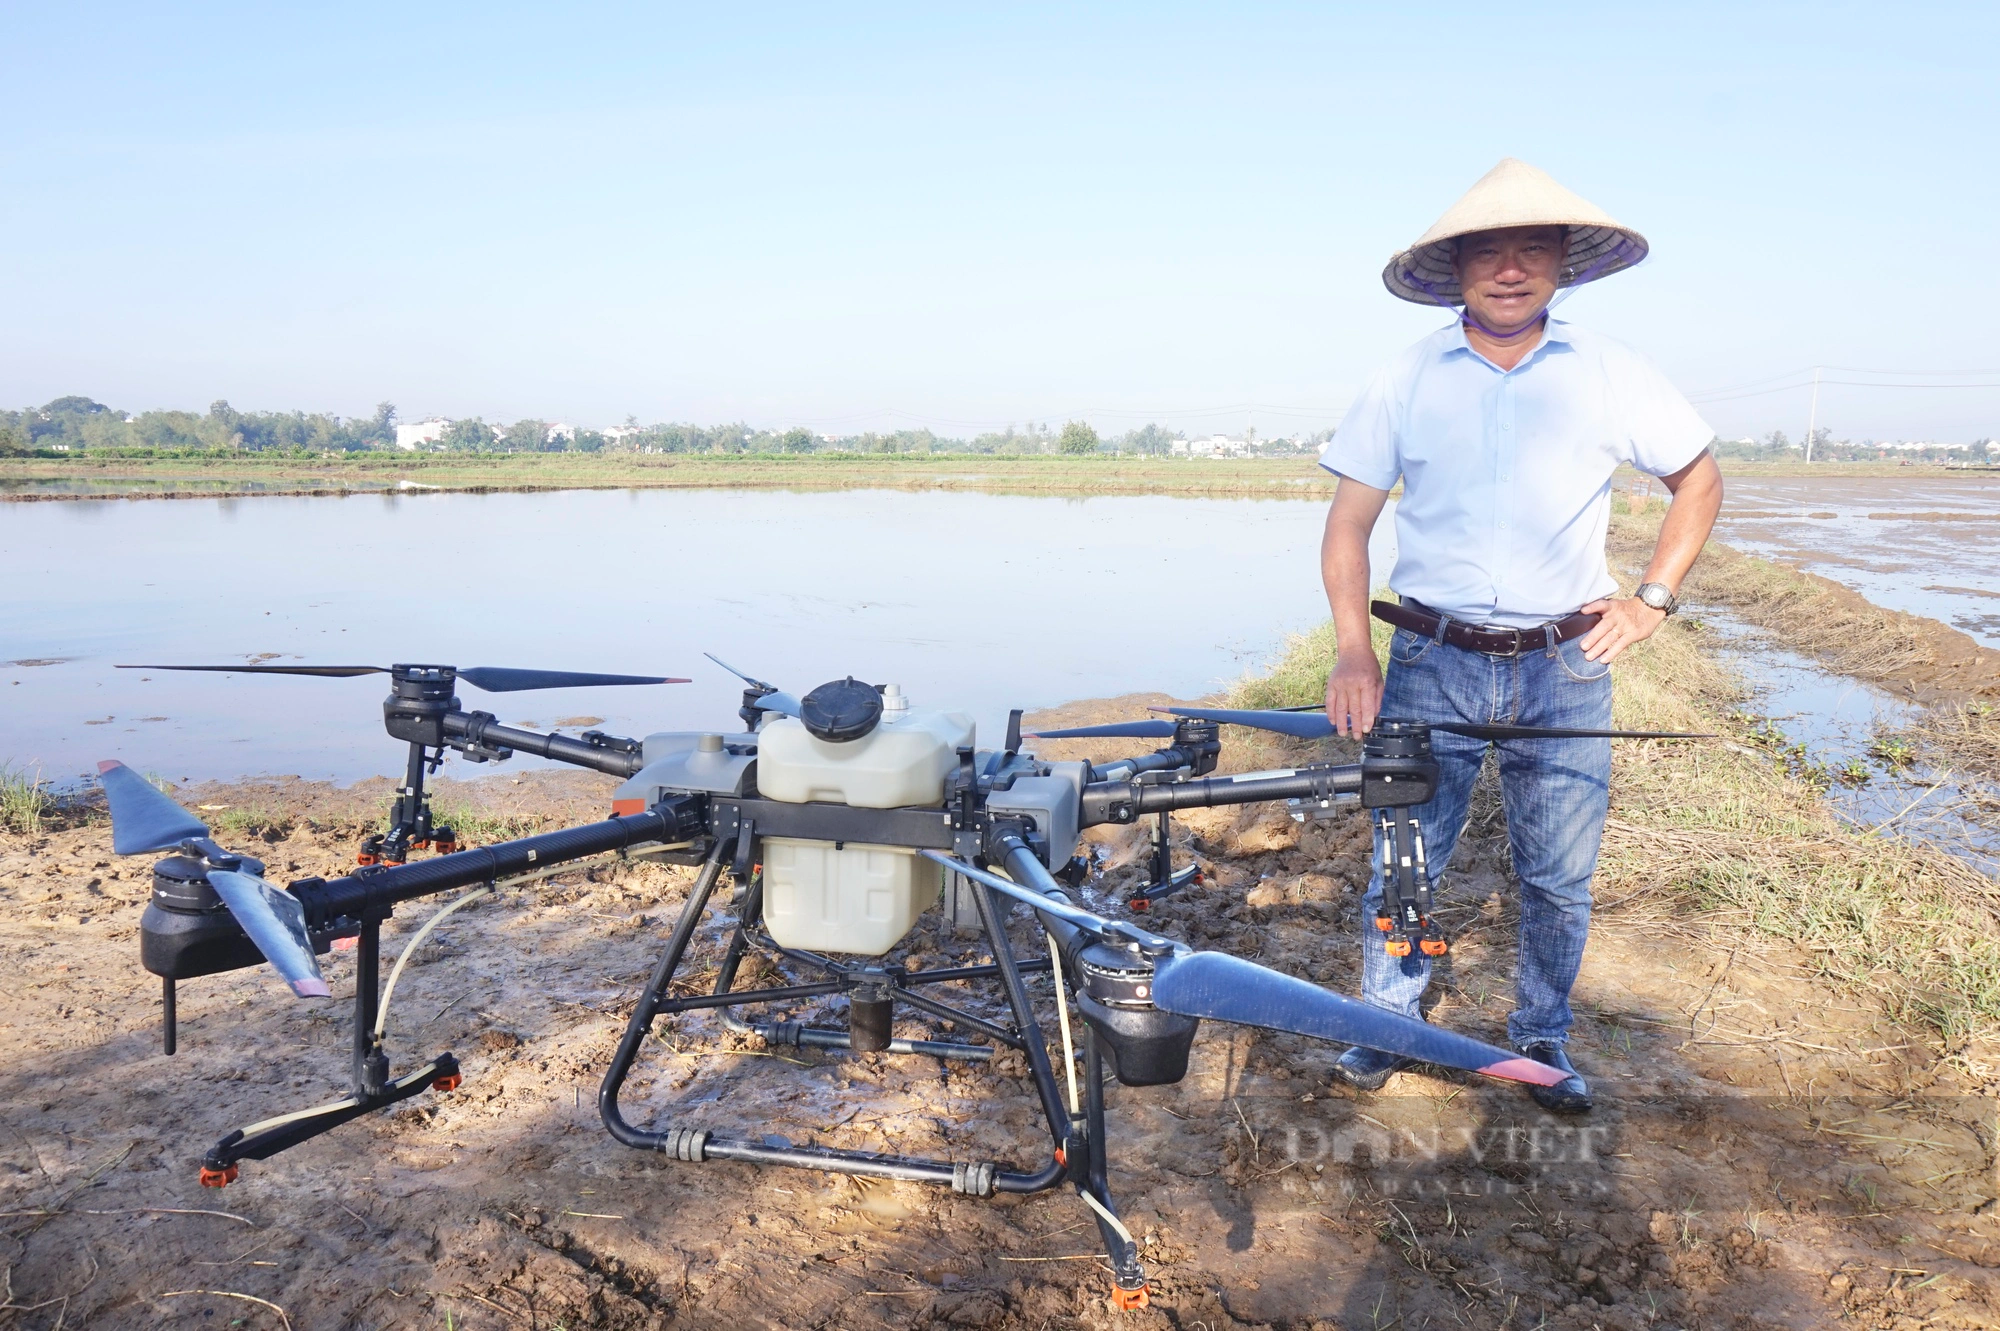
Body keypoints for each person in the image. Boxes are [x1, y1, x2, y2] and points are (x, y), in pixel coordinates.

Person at [1317, 158, 1723, 1112]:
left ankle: (1543, 1035)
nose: (1510, 270)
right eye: (1488, 253)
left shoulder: (1611, 371)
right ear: (1455, 270)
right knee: (1404, 859)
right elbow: (1348, 524)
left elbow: (1698, 480)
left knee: (1556, 874)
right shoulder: (1403, 378)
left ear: (1561, 265)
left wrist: (1652, 599)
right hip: (1429, 662)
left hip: (1567, 664)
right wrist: (1351, 648)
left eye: (1530, 250)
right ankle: (1389, 1022)